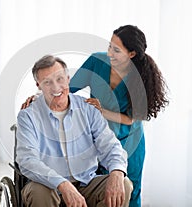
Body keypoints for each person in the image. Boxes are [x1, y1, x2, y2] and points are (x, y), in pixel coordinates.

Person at [69, 25, 169, 207]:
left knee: (129, 192)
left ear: (131, 54)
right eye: (109, 47)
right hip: (98, 140)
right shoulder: (96, 62)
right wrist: (40, 98)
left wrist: (101, 110)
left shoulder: (139, 77)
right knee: (98, 189)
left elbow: (131, 118)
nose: (109, 54)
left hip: (129, 141)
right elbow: (69, 89)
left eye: (116, 50)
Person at [16, 55, 133, 207]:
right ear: (38, 85)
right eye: (47, 82)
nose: (56, 87)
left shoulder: (88, 109)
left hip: (86, 183)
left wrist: (117, 172)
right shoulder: (28, 116)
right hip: (48, 186)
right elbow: (27, 160)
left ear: (68, 78)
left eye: (59, 79)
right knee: (40, 192)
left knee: (124, 184)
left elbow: (110, 146)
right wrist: (62, 184)